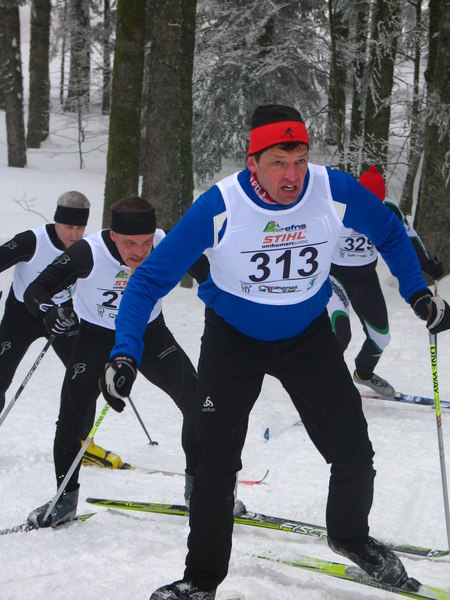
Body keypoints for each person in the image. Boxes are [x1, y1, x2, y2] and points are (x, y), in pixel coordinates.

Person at [101, 105, 450, 600]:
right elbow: (148, 281)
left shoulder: (333, 190)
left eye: (300, 160)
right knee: (215, 463)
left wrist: (416, 292)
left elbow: (391, 232)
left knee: (354, 451)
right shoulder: (219, 205)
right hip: (232, 340)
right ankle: (201, 580)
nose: (292, 175)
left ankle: (351, 537)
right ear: (253, 164)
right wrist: (124, 353)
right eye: (279, 163)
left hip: (306, 337)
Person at [21, 196, 210, 527]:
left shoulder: (167, 242)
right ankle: (64, 499)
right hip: (96, 339)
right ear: (113, 236)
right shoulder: (89, 252)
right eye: (130, 244)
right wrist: (49, 312)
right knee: (72, 419)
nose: (140, 252)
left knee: (197, 404)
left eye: (146, 243)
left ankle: (201, 494)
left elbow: (211, 276)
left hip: (150, 336)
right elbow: (36, 290)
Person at [0, 191, 123, 468]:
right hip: (21, 315)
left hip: (63, 316)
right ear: (57, 221)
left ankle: (81, 442)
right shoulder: (32, 240)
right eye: (69, 227)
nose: (75, 234)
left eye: (80, 227)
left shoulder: (87, 248)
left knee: (87, 376)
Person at [328, 165, 444, 397]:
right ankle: (323, 382)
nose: (372, 211)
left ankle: (363, 373)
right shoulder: (338, 208)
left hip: (365, 277)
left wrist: (426, 264)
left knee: (381, 337)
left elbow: (406, 237)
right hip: (334, 276)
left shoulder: (388, 209)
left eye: (377, 204)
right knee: (339, 333)